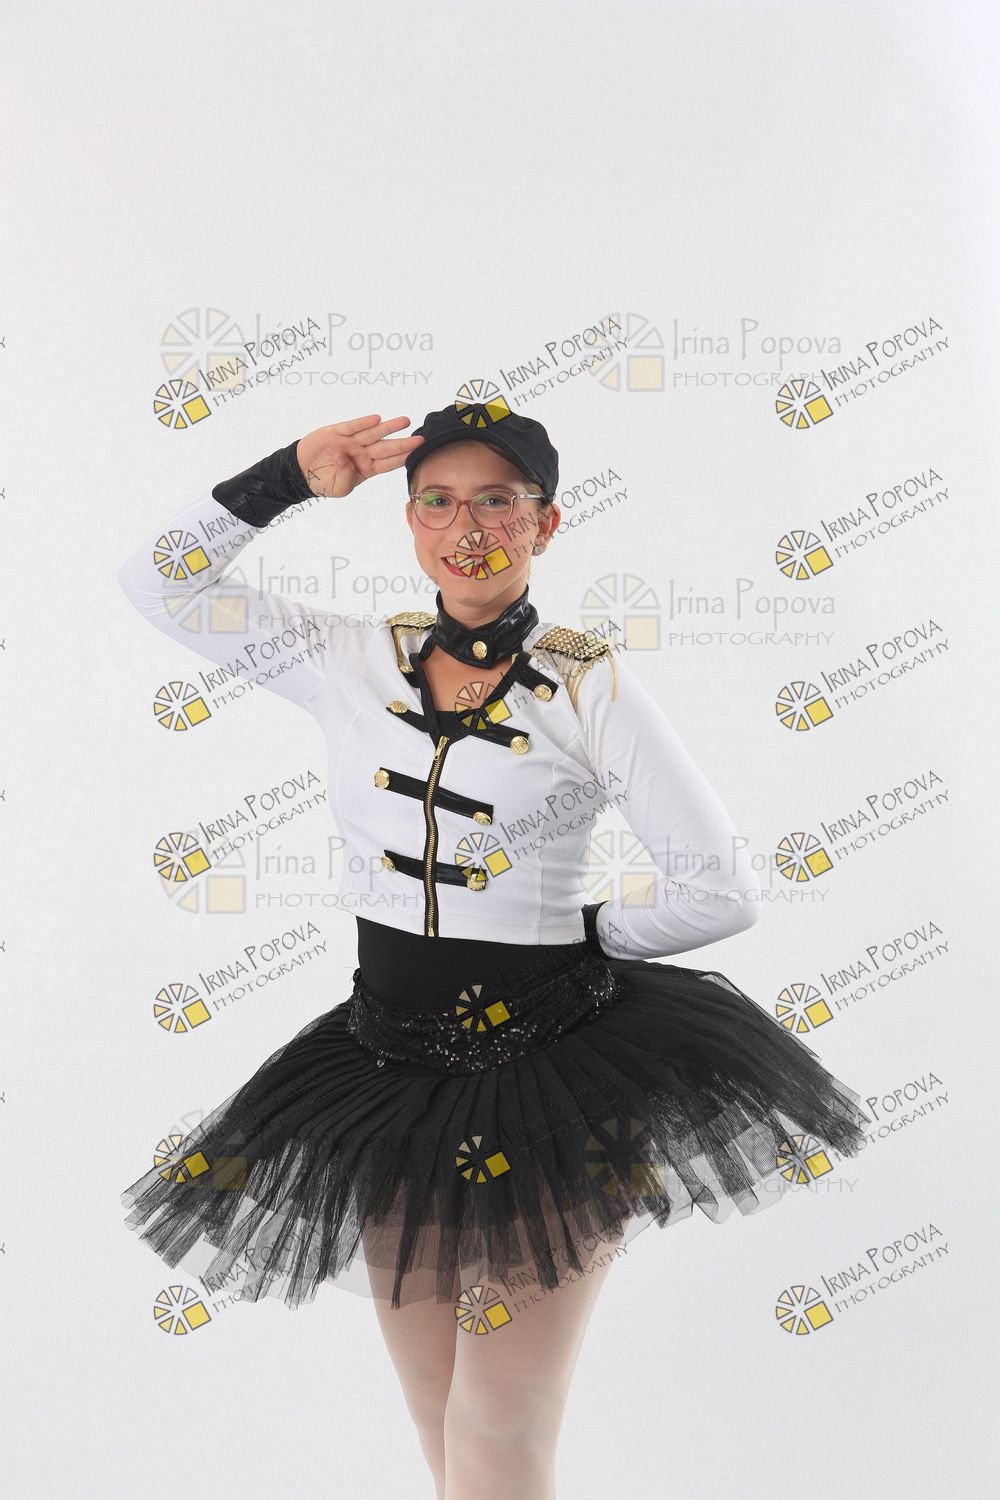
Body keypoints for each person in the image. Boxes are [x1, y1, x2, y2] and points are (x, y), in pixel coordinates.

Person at [118, 406, 870, 1500]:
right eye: (438, 500)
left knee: (501, 1416)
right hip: (385, 1069)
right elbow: (159, 582)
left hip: (551, 1075)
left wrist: (583, 935)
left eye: (498, 501)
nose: (466, 527)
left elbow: (720, 888)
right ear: (408, 520)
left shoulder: (586, 683)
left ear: (545, 524)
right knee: (434, 1402)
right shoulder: (346, 658)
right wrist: (286, 477)